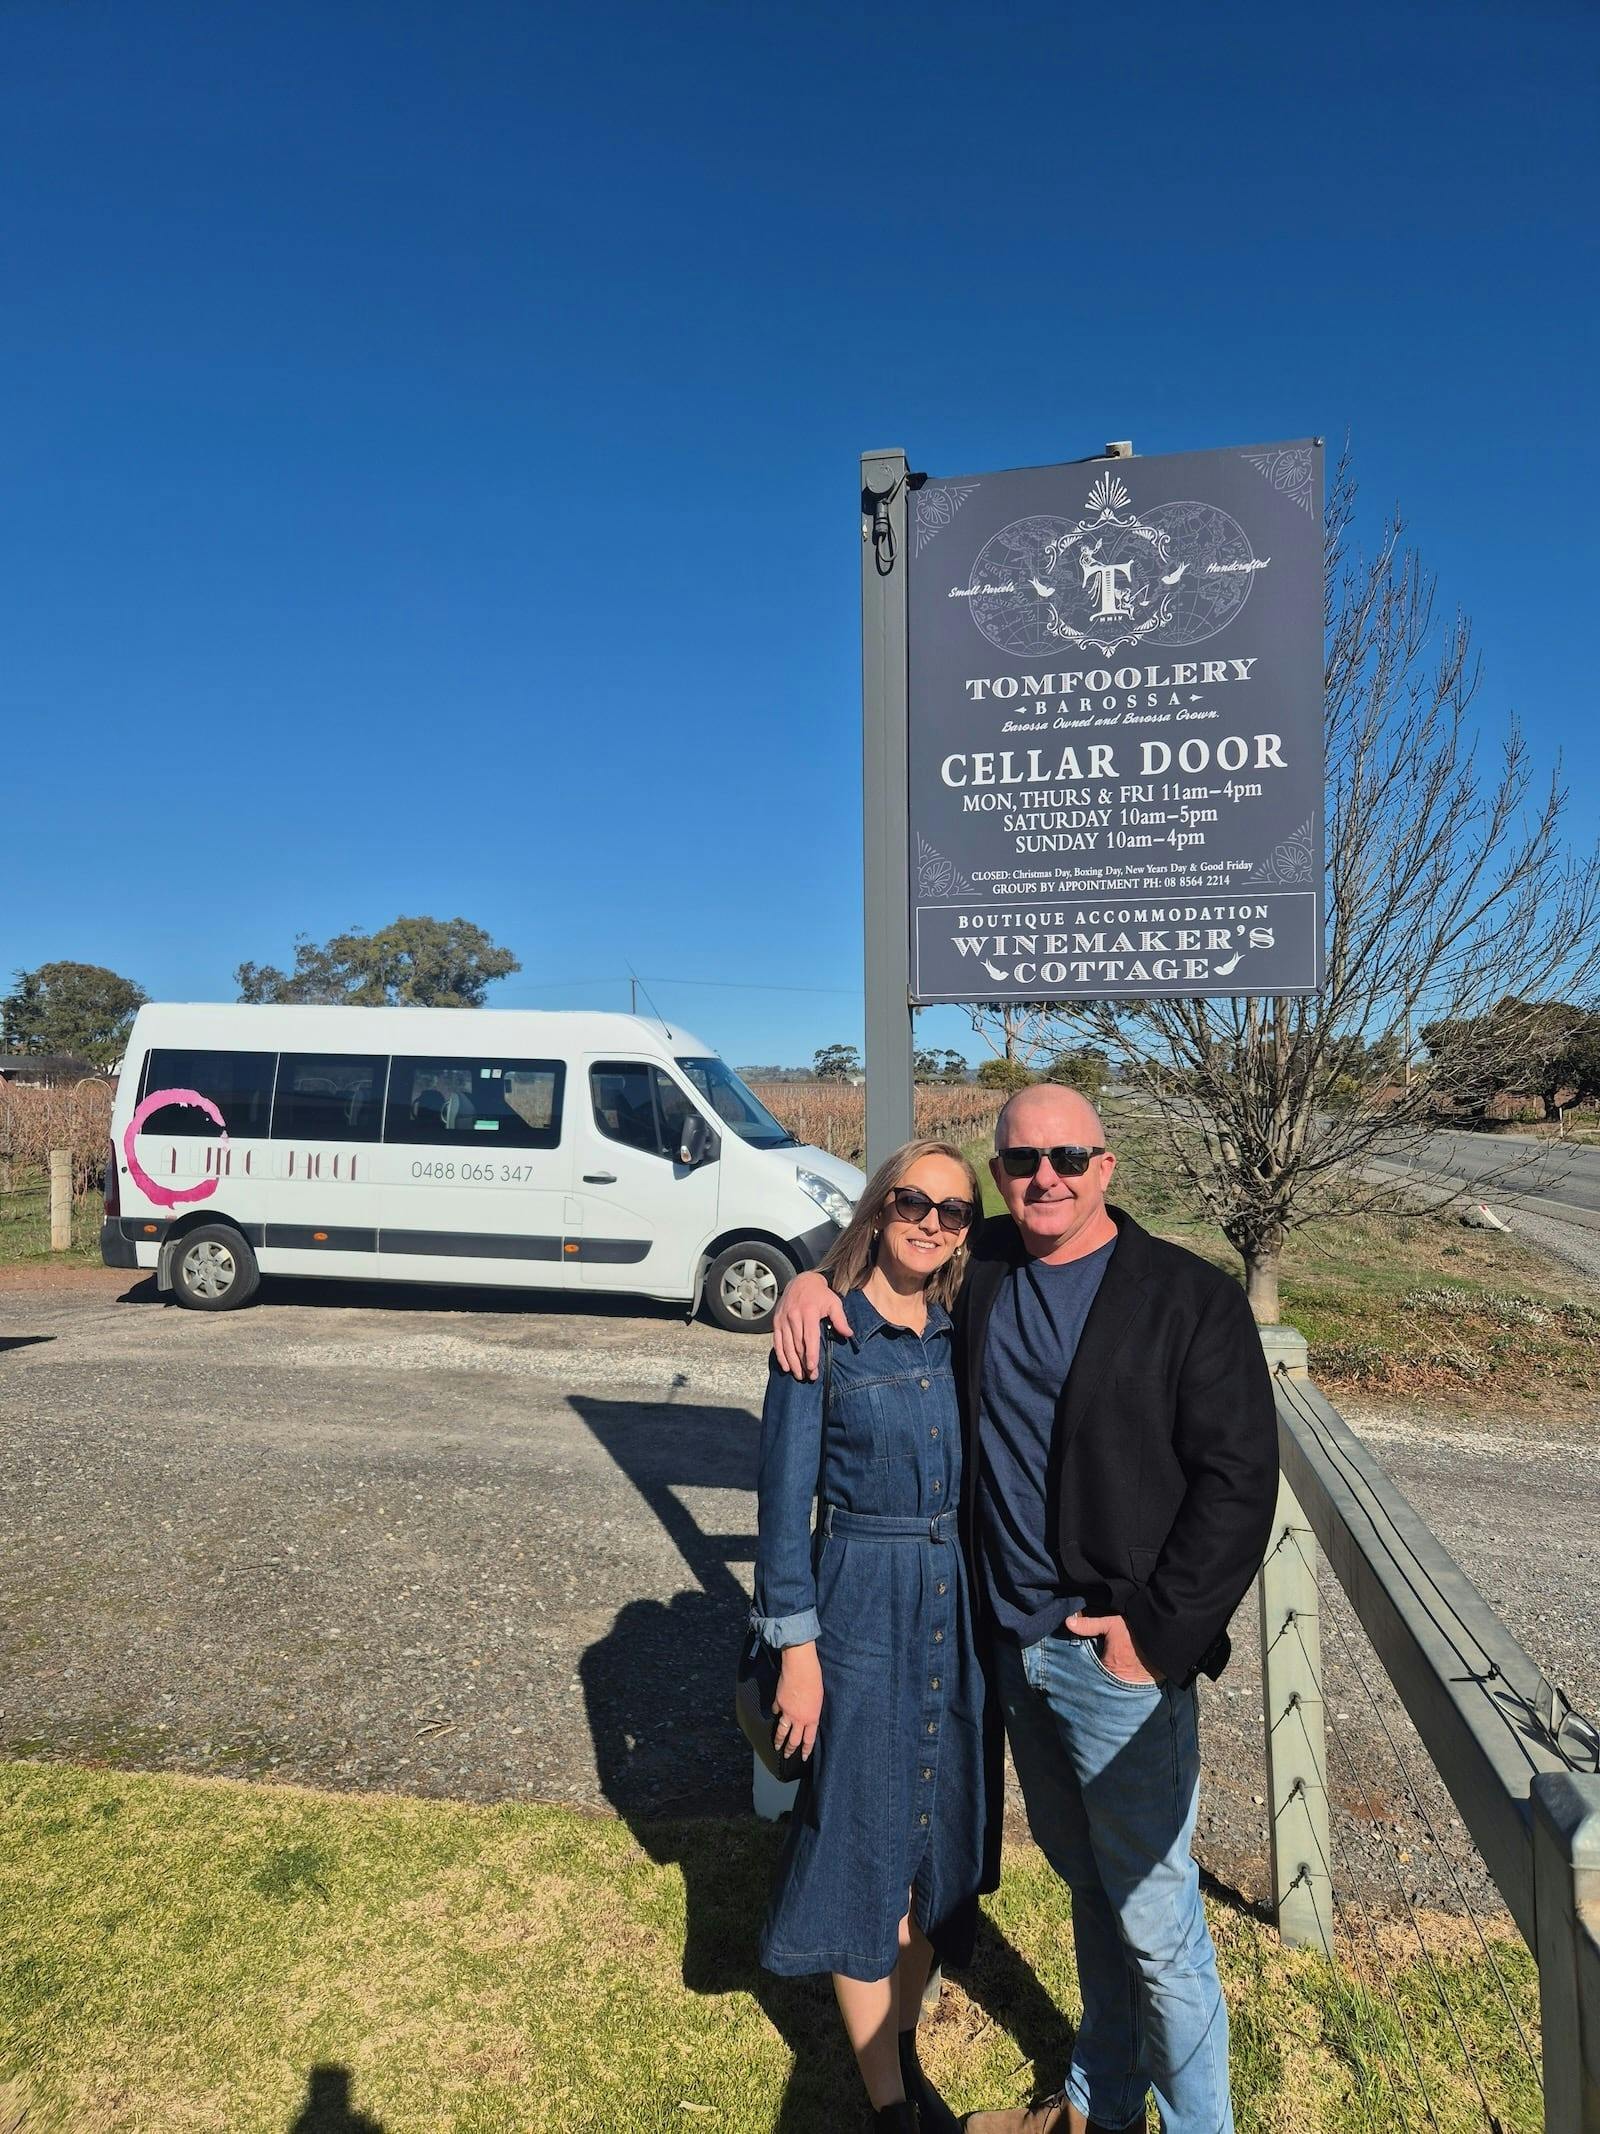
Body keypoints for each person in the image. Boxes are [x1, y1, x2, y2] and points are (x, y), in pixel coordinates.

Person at [773, 1085, 1279, 2134]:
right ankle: (1100, 2106)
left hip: (1116, 1660)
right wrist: (807, 1282)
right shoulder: (988, 1263)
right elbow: (889, 1236)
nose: (1043, 1177)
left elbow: (1238, 1483)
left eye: (1067, 1157)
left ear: (1105, 1167)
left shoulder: (1187, 1297)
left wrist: (1155, 1636)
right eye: (1020, 1162)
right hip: (1008, 1648)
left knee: (1157, 1923)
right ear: (1001, 1179)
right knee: (1091, 1889)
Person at [753, 1137, 989, 2133]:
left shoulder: (963, 1331)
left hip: (953, 1608)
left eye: (952, 1210)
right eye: (911, 1202)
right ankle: (890, 2105)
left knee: (936, 1839)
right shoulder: (825, 1332)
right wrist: (798, 1654)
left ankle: (902, 2039)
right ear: (878, 1208)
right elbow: (782, 1509)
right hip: (858, 1603)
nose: (931, 1221)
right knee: (863, 1844)